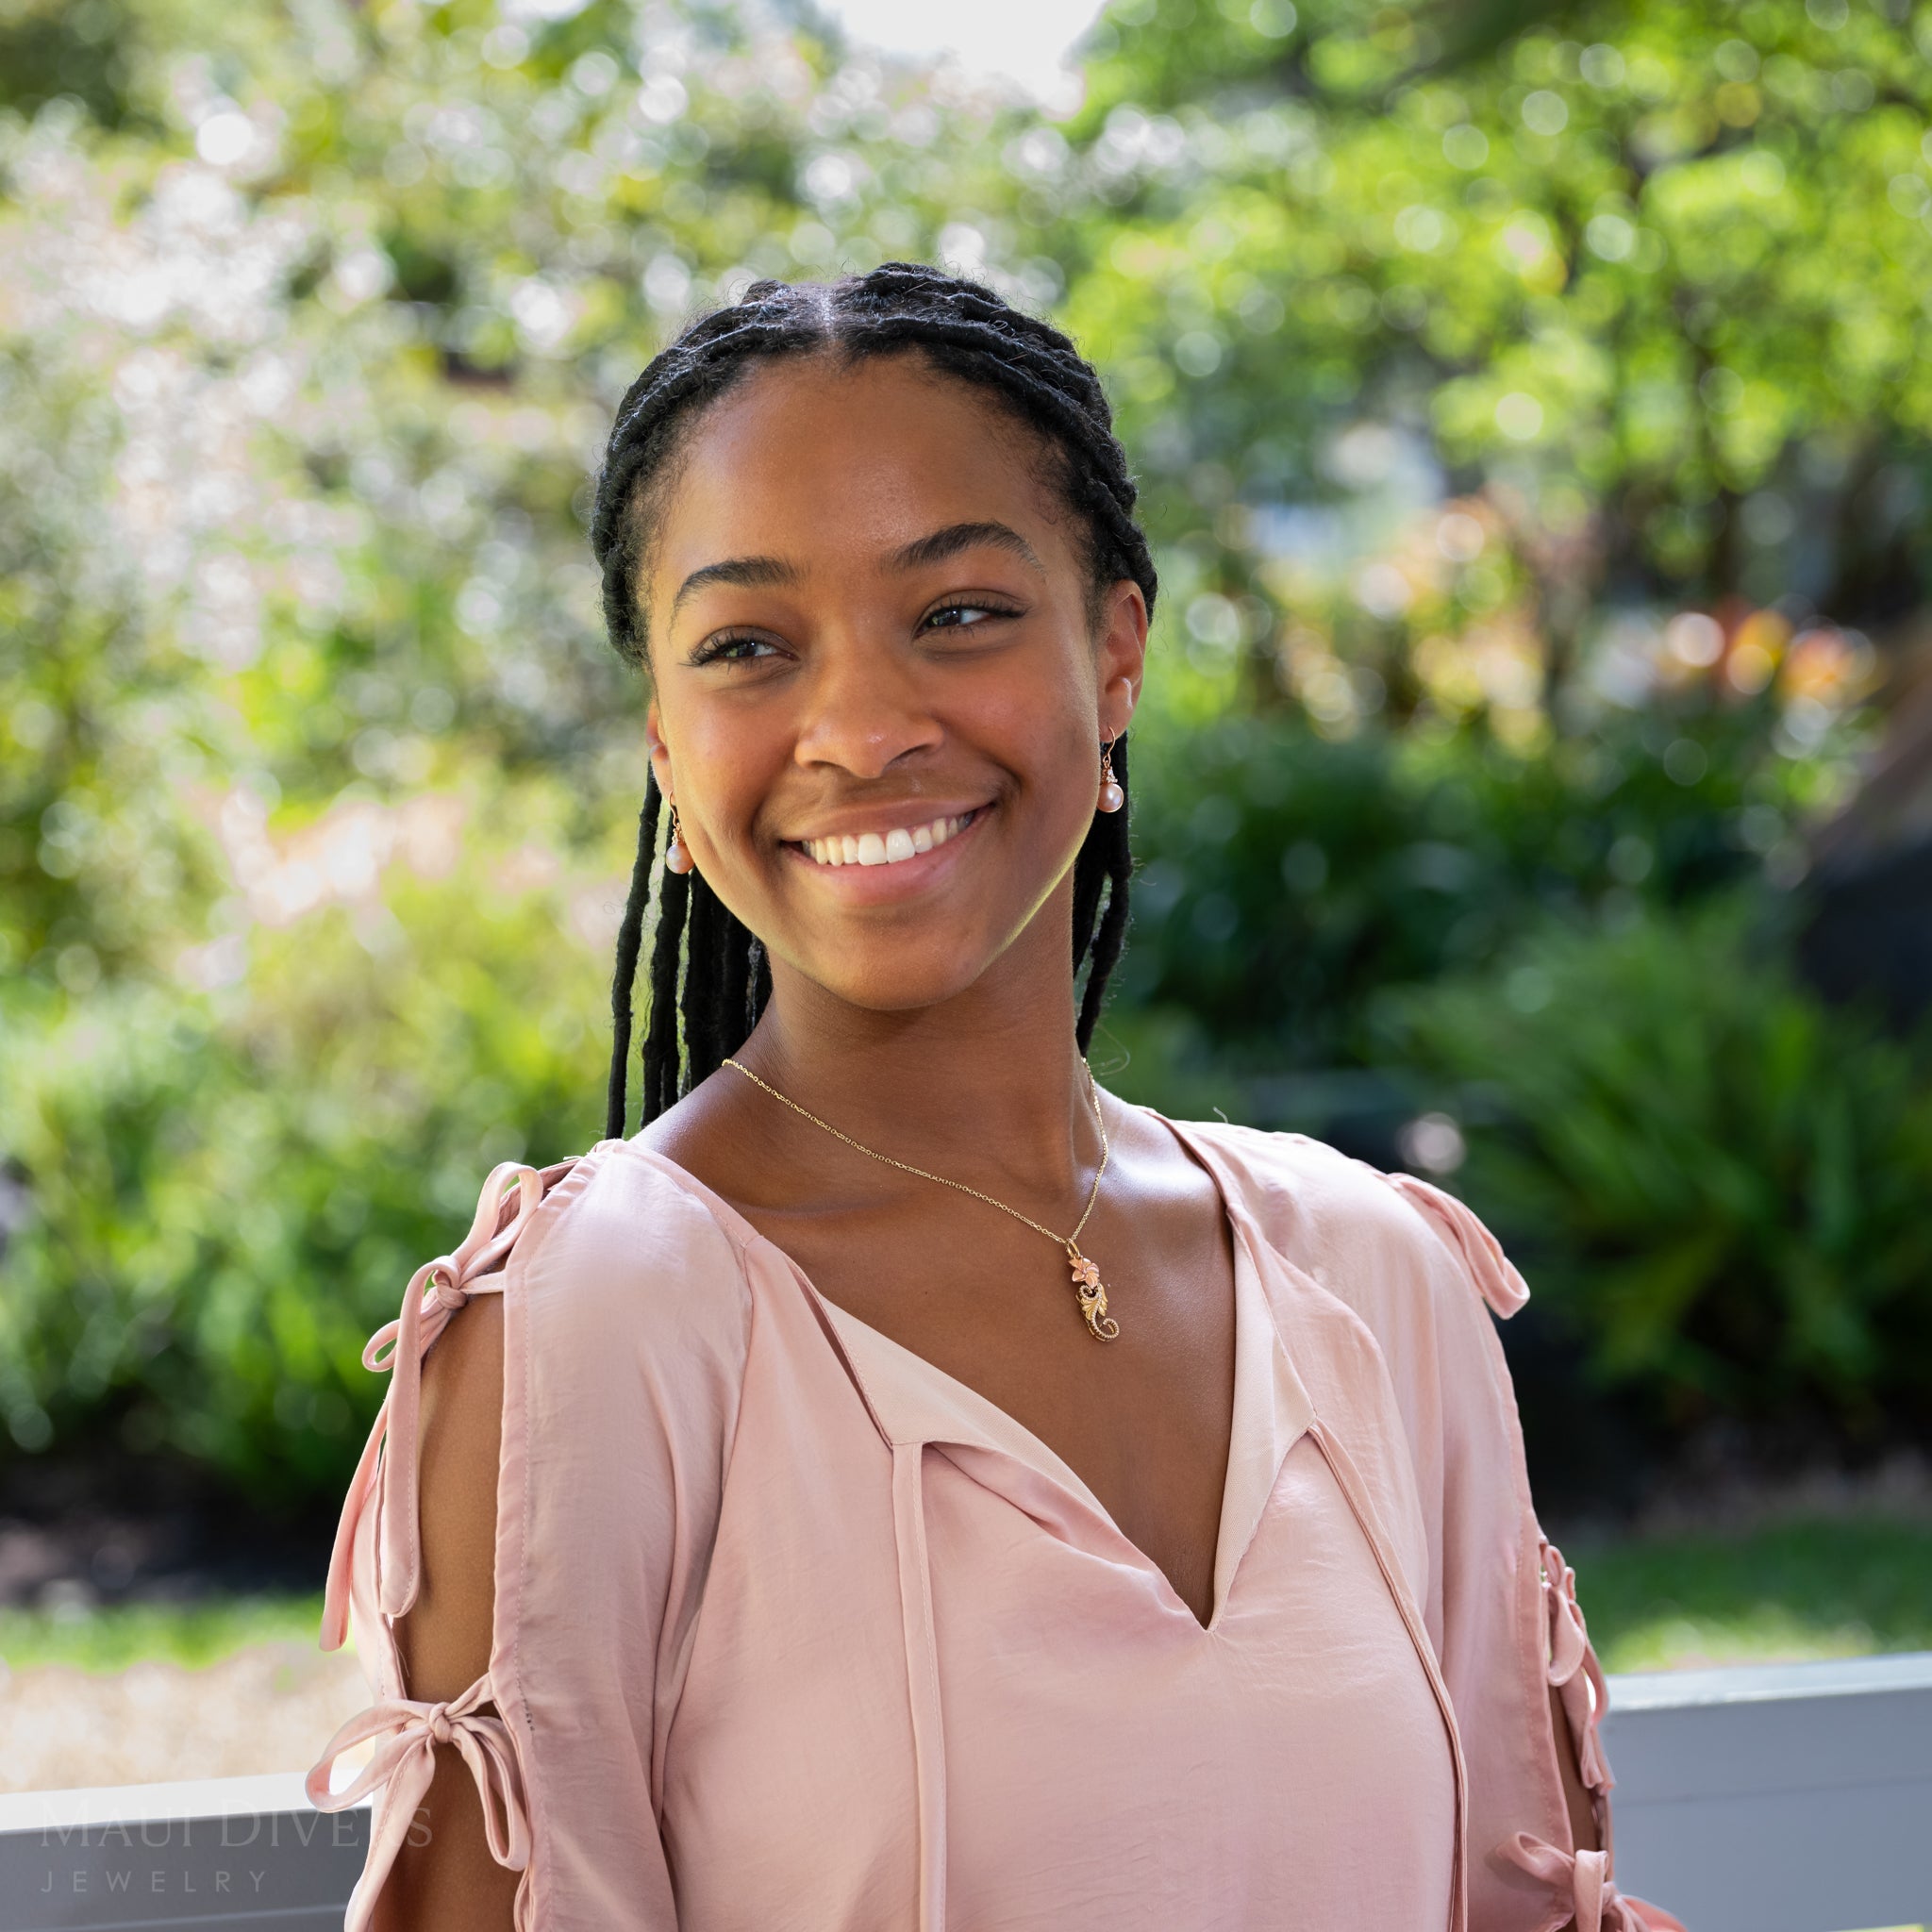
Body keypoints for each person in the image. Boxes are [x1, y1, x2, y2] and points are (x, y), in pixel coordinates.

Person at [306, 266, 1684, 1932]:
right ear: (666, 743)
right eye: (748, 646)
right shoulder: (589, 1328)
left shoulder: (1371, 1275)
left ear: (1116, 654)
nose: (862, 728)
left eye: (957, 613)